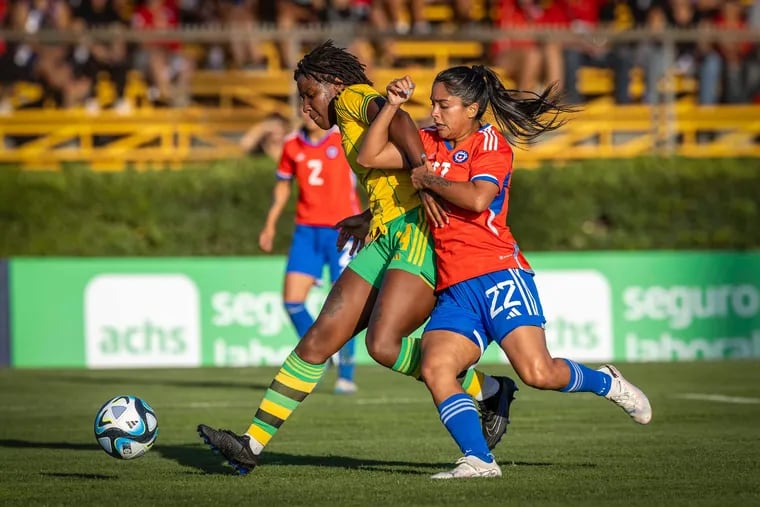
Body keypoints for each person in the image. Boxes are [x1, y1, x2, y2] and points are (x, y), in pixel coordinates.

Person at [198, 40, 517, 474]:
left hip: (417, 238)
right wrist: (369, 216)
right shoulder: (345, 112)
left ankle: (486, 390)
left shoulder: (352, 97)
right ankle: (251, 444)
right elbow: (390, 178)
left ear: (332, 83)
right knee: (318, 340)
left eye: (310, 95)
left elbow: (402, 120)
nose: (307, 108)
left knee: (382, 345)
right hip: (384, 235)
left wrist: (424, 178)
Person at [356, 68, 652, 479]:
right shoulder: (426, 143)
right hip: (455, 287)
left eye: (445, 105)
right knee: (435, 367)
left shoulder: (490, 143)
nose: (435, 113)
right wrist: (391, 106)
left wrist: (429, 178)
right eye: (433, 104)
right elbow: (368, 157)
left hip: (499, 274)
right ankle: (479, 460)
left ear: (472, 108)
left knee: (538, 373)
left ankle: (608, 383)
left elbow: (478, 199)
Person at [258, 109, 363, 394]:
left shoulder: (343, 139)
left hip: (342, 231)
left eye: (312, 107)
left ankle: (346, 374)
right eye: (303, 108)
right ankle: (321, 349)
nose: (307, 112)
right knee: (292, 301)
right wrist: (270, 225)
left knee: (344, 304)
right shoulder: (292, 144)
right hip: (306, 232)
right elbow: (282, 187)